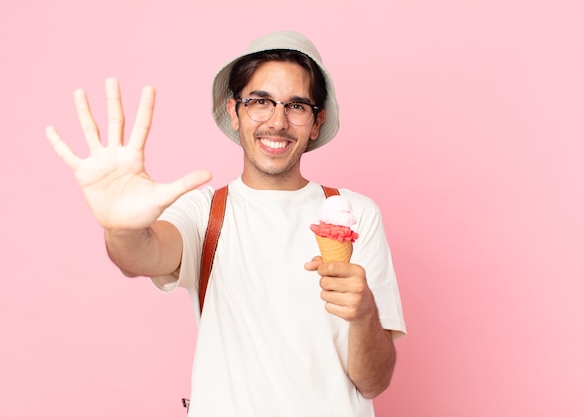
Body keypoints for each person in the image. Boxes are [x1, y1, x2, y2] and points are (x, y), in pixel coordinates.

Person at [46, 31, 406, 417]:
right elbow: (142, 255)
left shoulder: (354, 213)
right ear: (235, 112)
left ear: (316, 122)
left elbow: (374, 382)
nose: (278, 122)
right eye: (260, 102)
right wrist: (120, 227)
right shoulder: (205, 212)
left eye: (297, 106)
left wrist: (366, 312)